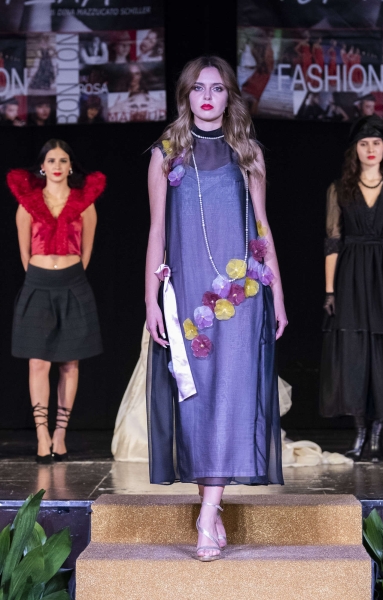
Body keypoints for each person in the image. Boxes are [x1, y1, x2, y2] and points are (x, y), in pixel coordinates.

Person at [145, 56, 286, 561]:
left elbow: (262, 228)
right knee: (198, 402)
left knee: (231, 398)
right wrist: (149, 299)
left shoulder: (248, 153)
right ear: (186, 95)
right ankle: (211, 506)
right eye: (199, 88)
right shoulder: (166, 155)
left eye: (218, 88)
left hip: (242, 296)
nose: (208, 97)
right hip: (188, 298)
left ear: (230, 97)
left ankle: (207, 513)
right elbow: (157, 232)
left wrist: (278, 295)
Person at [7, 139, 105, 463]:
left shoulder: (84, 204)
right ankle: (42, 435)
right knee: (38, 362)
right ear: (42, 166)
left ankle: (60, 435)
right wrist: (42, 275)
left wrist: (69, 275)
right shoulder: (28, 204)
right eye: (51, 160)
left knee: (69, 363)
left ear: (70, 165)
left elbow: (87, 251)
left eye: (63, 160)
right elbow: (24, 253)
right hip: (38, 284)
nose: (58, 166)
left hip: (73, 284)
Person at [320, 115, 383, 463]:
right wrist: (330, 291)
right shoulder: (340, 188)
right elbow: (333, 240)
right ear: (355, 149)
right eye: (364, 143)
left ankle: (378, 433)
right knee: (353, 352)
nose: (370, 149)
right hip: (351, 273)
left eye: (376, 143)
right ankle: (359, 432)